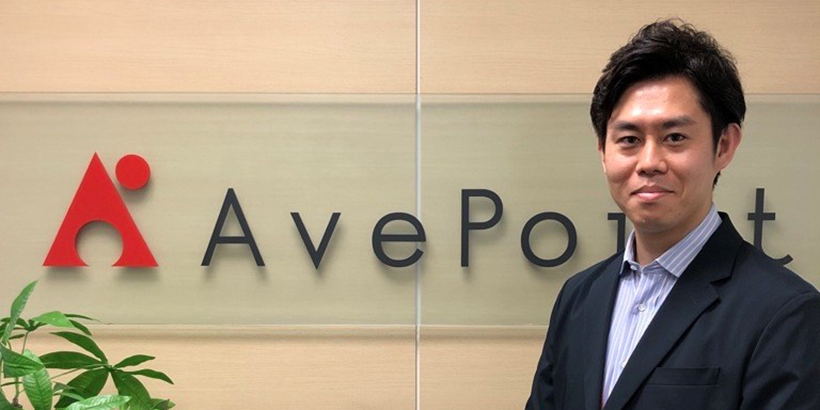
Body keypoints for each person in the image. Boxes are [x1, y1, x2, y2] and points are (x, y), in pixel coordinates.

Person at [525, 19, 820, 410]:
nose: (649, 162)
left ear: (724, 146)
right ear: (603, 151)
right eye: (629, 139)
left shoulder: (785, 312)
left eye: (675, 137)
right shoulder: (579, 296)